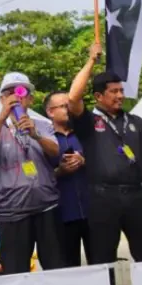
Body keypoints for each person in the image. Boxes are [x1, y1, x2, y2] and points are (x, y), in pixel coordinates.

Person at [68, 43, 142, 264]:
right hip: (103, 197)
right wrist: (91, 61)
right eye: (114, 91)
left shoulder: (136, 123)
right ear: (98, 96)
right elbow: (73, 98)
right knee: (103, 258)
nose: (120, 95)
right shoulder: (89, 122)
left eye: (121, 90)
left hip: (136, 196)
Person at [0, 72, 64, 274]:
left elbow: (57, 154)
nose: (15, 96)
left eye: (21, 91)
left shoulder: (43, 125)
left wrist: (35, 135)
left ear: (30, 98)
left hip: (47, 207)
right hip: (12, 211)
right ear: (2, 99)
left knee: (57, 268)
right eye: (9, 92)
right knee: (15, 272)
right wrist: (1, 119)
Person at [45, 91, 90, 267]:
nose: (69, 109)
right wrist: (59, 171)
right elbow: (39, 174)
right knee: (69, 267)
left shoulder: (86, 133)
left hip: (92, 210)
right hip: (63, 213)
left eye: (70, 105)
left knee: (102, 263)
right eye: (64, 106)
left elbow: (103, 162)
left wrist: (84, 160)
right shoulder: (45, 139)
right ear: (50, 112)